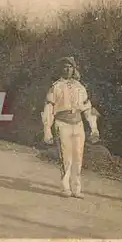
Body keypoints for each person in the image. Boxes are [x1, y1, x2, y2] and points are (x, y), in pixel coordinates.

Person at [42, 56, 101, 199]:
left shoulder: (80, 87)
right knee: (66, 157)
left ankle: (76, 188)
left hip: (78, 125)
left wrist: (94, 128)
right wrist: (47, 130)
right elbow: (48, 109)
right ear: (60, 69)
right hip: (62, 125)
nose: (67, 69)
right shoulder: (55, 87)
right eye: (65, 66)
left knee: (78, 157)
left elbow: (88, 109)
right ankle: (65, 187)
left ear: (74, 69)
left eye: (70, 67)